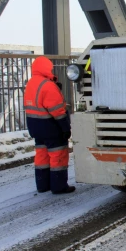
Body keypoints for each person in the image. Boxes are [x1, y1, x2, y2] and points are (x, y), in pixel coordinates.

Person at [24, 56, 75, 194]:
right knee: (57, 155)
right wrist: (65, 128)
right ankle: (59, 186)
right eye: (50, 67)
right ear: (46, 68)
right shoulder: (47, 85)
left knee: (42, 156)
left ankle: (42, 185)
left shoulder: (31, 83)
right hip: (50, 127)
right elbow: (57, 110)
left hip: (35, 126)